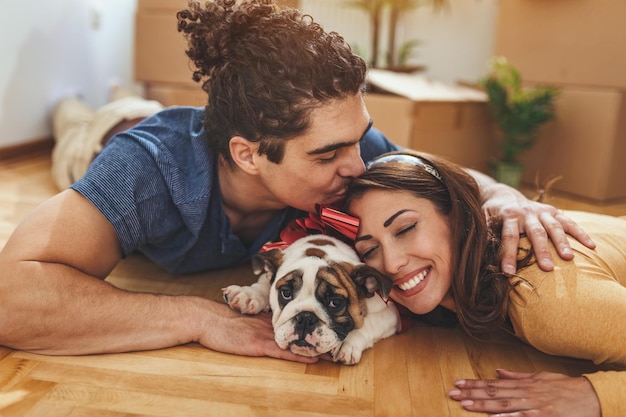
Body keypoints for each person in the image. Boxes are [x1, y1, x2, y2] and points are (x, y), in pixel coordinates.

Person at [0, 0, 592, 360]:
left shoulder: (349, 158)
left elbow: (443, 176)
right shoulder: (145, 171)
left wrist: (506, 197)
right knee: (75, 127)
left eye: (360, 139)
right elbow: (12, 300)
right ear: (250, 154)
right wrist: (200, 317)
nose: (360, 167)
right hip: (101, 141)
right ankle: (80, 108)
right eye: (331, 153)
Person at [344, 150, 625, 417]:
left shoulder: (546, 301)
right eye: (370, 250)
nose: (391, 264)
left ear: (456, 214)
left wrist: (597, 396)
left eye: (406, 229)